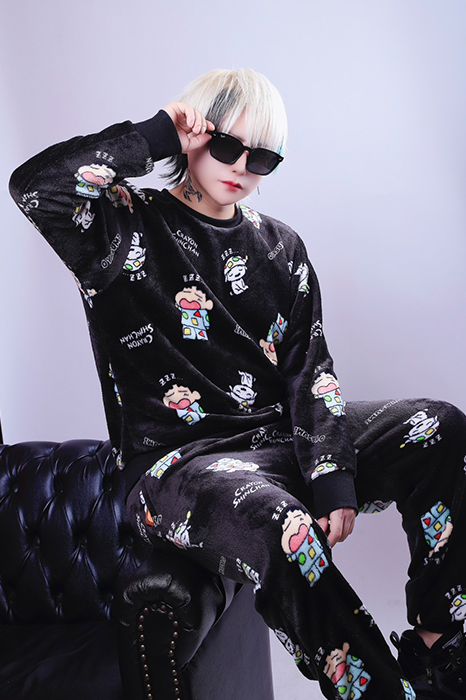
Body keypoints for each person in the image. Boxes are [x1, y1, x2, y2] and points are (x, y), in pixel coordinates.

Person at [9, 67, 466, 700]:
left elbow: (310, 370)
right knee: (284, 524)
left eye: (264, 158)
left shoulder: (281, 248)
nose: (243, 168)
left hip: (277, 443)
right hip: (178, 465)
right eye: (227, 146)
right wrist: (154, 134)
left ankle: (439, 649)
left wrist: (331, 472)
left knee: (440, 426)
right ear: (194, 135)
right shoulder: (120, 227)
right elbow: (36, 186)